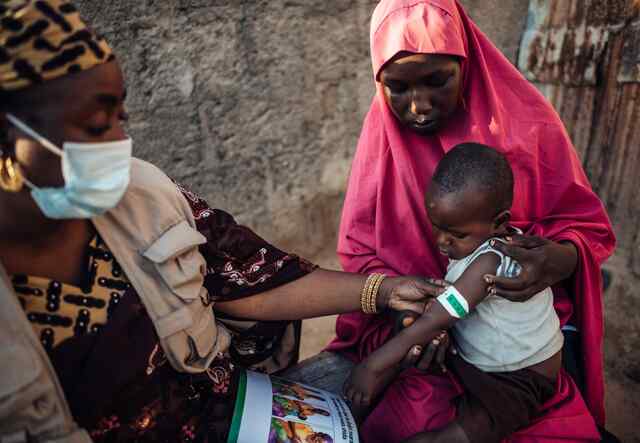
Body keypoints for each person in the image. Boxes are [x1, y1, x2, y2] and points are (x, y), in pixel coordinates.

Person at [0, 1, 439, 442]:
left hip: (232, 421)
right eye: (96, 126)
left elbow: (252, 281)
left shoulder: (143, 196)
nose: (120, 142)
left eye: (122, 118)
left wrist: (383, 290)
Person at [325, 0, 616, 441]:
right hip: (429, 335)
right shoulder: (380, 146)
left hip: (518, 338)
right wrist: (407, 316)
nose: (418, 105)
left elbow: (585, 226)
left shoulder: (528, 126)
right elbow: (361, 253)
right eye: (396, 87)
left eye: (437, 81)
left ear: (467, 64)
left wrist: (559, 259)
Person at [345, 143, 565, 442]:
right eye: (436, 228)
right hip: (484, 363)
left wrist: (374, 364)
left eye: (456, 235)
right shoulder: (476, 237)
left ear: (499, 223)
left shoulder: (493, 258)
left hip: (522, 379)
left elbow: (439, 316)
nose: (442, 242)